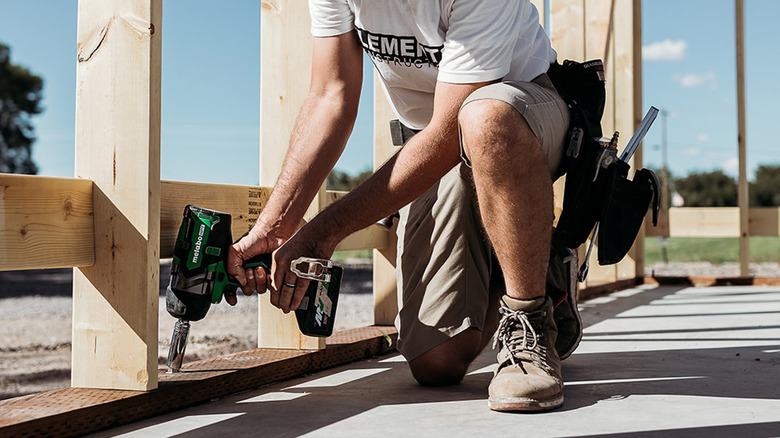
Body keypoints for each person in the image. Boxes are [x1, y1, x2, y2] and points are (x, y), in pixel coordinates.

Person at [227, 0, 580, 412]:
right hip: (431, 137)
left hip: (521, 118)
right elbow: (331, 95)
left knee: (485, 119)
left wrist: (323, 234)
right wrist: (274, 226)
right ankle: (542, 264)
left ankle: (531, 321)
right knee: (436, 361)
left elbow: (452, 129)